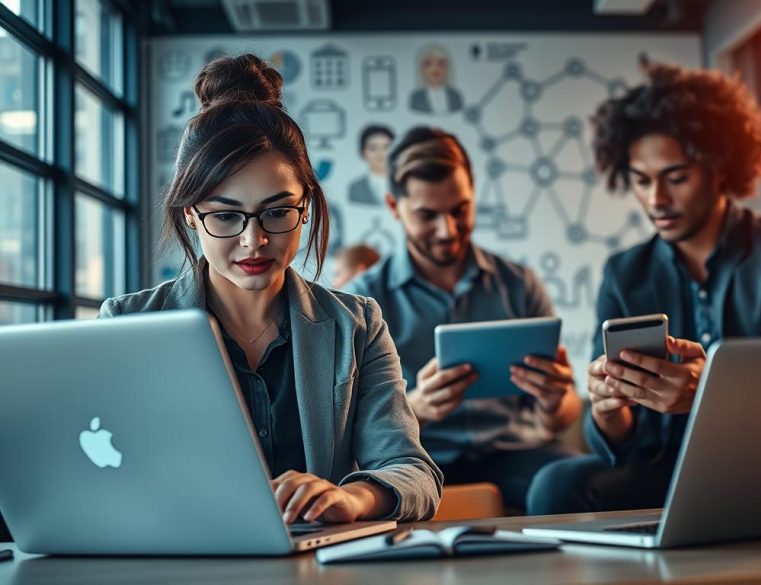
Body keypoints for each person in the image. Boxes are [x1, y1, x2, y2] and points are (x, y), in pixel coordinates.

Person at [99, 54, 441, 523]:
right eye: (225, 215)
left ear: (306, 208)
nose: (254, 240)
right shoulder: (126, 327)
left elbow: (413, 471)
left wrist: (350, 498)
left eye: (278, 211)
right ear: (190, 216)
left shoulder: (357, 325)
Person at [529, 62, 761, 514]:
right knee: (555, 484)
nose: (656, 199)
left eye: (675, 177)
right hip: (664, 469)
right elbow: (615, 443)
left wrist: (714, 391)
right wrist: (606, 409)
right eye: (641, 180)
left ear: (720, 167)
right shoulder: (624, 272)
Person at [347, 126, 582, 514]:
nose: (447, 230)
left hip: (516, 453)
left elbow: (564, 414)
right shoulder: (363, 300)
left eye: (460, 210)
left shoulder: (518, 284)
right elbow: (347, 424)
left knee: (578, 480)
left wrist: (556, 400)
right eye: (427, 215)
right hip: (419, 461)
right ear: (393, 206)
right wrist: (415, 407)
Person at [408, 45, 464, 115]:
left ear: (447, 68)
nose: (435, 68)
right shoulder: (416, 98)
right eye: (429, 64)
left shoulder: (456, 96)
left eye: (440, 63)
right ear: (422, 69)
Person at [348, 125, 394, 206]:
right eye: (373, 148)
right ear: (363, 152)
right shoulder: (355, 188)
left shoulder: (405, 185)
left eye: (386, 147)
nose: (380, 153)